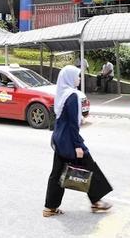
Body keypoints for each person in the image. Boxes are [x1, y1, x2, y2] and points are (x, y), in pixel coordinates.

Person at [44, 65, 112, 217]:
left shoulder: (61, 94)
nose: (79, 78)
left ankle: (50, 208)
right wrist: (78, 146)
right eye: (77, 76)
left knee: (56, 173)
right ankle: (97, 202)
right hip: (69, 140)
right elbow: (74, 124)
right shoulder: (73, 96)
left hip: (59, 139)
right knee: (90, 165)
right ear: (69, 78)